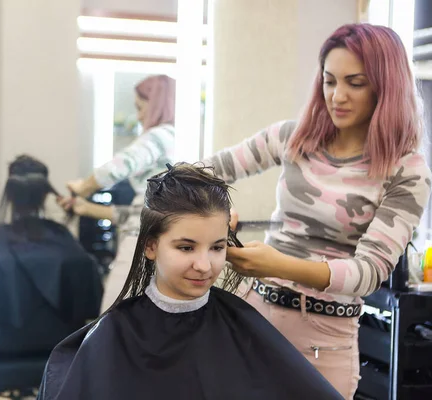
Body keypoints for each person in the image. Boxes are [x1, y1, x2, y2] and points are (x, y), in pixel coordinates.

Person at [203, 23, 432, 398]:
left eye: (354, 83)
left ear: (385, 87)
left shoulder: (406, 170)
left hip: (323, 342)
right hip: (251, 318)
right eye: (329, 81)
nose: (336, 96)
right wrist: (214, 209)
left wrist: (275, 265)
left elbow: (368, 272)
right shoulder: (293, 137)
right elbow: (202, 173)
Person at [38, 163, 342, 400]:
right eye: (186, 247)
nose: (204, 265)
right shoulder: (113, 336)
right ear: (151, 246)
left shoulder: (243, 327)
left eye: (217, 247)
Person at [0, 155, 104, 396]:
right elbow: (92, 308)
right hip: (59, 357)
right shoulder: (69, 248)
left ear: (9, 194)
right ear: (44, 194)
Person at [59, 74, 176, 311]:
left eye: (141, 108)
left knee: (111, 320)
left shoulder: (161, 135)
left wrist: (84, 186)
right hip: (149, 240)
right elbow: (137, 214)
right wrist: (85, 208)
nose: (140, 116)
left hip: (141, 244)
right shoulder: (170, 145)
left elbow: (119, 166)